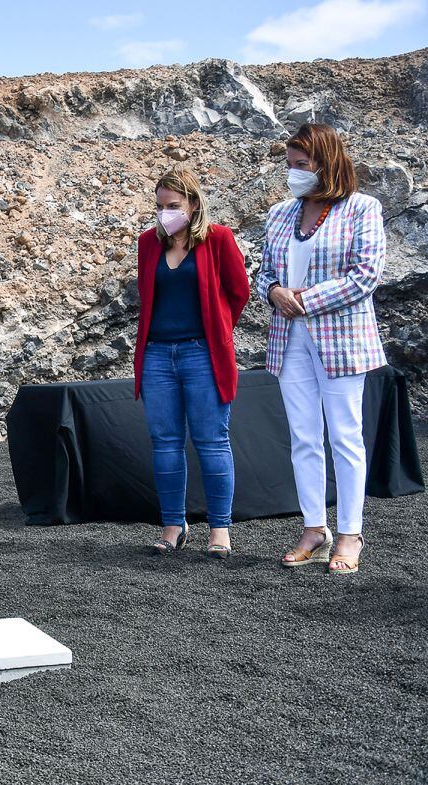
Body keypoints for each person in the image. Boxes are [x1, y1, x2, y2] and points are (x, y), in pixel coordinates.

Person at [257, 123, 387, 575]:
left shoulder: (362, 208)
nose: (293, 173)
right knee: (303, 436)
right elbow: (263, 272)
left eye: (301, 165)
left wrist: (303, 300)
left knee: (345, 436)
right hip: (289, 340)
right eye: (289, 165)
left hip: (342, 341)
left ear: (326, 163)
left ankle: (350, 533)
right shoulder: (279, 214)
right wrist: (273, 291)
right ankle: (315, 527)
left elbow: (366, 275)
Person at [133, 167, 250, 558]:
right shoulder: (149, 242)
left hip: (202, 352)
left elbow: (238, 292)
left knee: (212, 441)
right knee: (165, 443)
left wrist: (217, 331)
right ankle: (172, 527)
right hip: (157, 355)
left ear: (193, 204)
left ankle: (220, 530)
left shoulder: (219, 238)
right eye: (160, 206)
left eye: (173, 205)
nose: (165, 213)